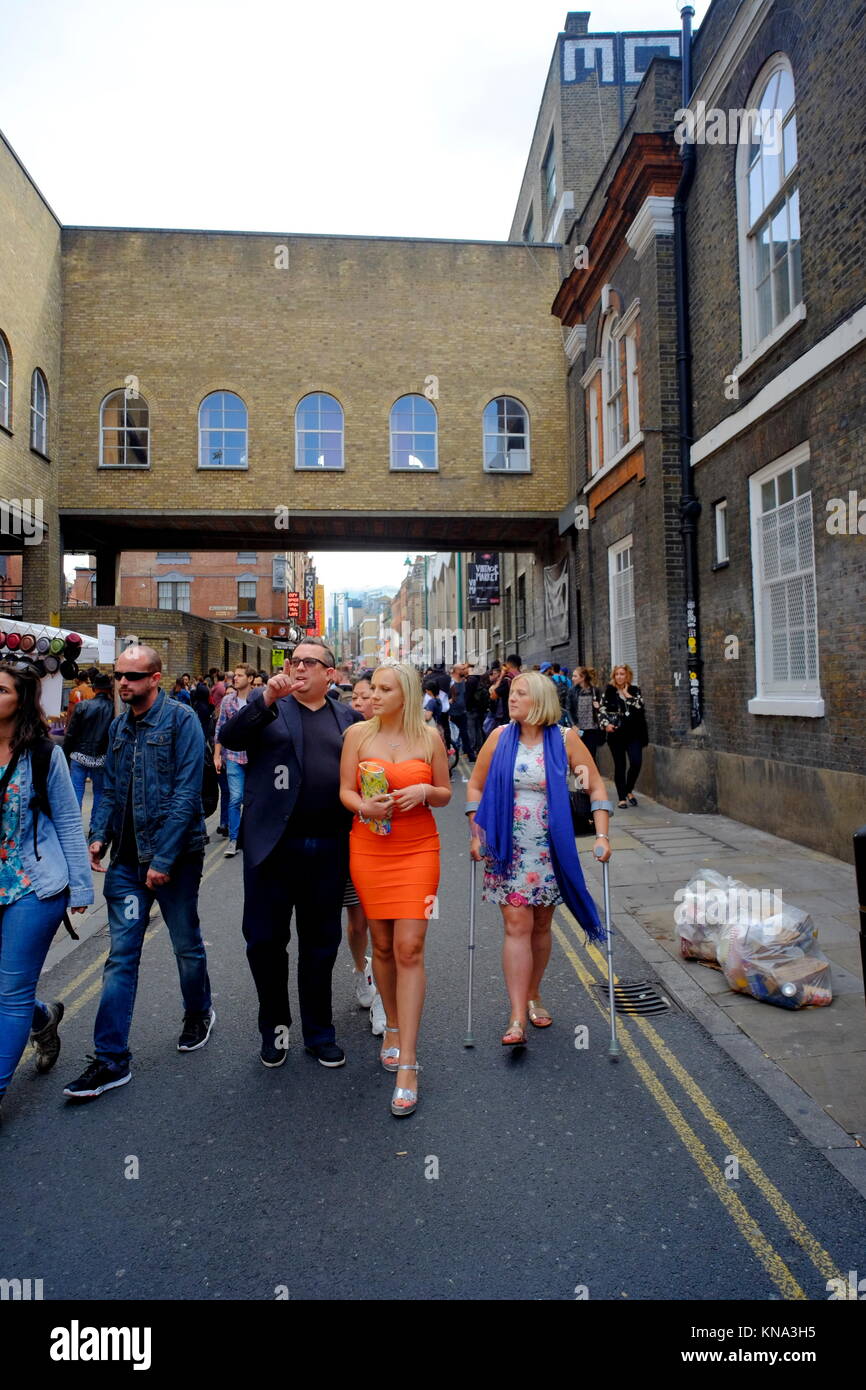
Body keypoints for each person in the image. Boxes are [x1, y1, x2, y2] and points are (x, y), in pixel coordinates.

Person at [63, 646, 214, 1101]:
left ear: (155, 678)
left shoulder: (181, 721)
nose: (123, 682)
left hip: (175, 858)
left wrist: (164, 861)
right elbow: (109, 788)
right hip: (127, 864)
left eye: (133, 675)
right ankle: (111, 1060)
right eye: (119, 675)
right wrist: (98, 835)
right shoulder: (118, 726)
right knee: (121, 956)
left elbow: (188, 794)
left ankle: (198, 1011)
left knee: (185, 944)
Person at [219, 639, 362, 1069]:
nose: (298, 667)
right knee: (265, 944)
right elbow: (230, 736)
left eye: (309, 662)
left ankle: (320, 1033)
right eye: (293, 661)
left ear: (330, 674)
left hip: (328, 848)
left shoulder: (348, 719)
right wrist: (265, 698)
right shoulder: (269, 707)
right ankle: (275, 1029)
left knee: (321, 945)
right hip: (272, 849)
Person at [466, 671, 612, 1045]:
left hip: (549, 849)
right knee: (517, 925)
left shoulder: (565, 740)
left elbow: (595, 785)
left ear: (540, 701)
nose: (510, 699)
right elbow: (476, 785)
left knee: (541, 928)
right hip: (507, 848)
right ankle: (517, 1016)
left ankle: (534, 993)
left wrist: (602, 835)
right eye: (511, 693)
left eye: (519, 694)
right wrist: (476, 832)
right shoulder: (499, 738)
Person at [340, 662, 451, 1116]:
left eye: (385, 689)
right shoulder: (357, 736)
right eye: (374, 689)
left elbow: (445, 792)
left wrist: (423, 791)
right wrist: (364, 804)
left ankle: (408, 1059)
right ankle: (389, 1026)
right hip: (369, 848)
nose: (374, 695)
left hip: (419, 850)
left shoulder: (429, 737)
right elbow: (345, 791)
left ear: (405, 695)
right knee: (381, 945)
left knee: (409, 946)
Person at [0, 663, 93, 1119]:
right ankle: (44, 1018)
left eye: (0, 690)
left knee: (11, 991)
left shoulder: (42, 754)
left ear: (22, 699)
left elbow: (68, 820)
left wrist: (80, 886)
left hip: (32, 887)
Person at [343, 675, 386, 1035]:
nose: (359, 702)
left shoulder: (392, 739)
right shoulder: (347, 734)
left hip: (381, 841)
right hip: (344, 836)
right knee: (355, 923)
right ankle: (362, 970)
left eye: (365, 696)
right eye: (354, 696)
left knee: (375, 921)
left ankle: (383, 997)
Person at [213, 662, 254, 858]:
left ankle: (253, 837)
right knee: (235, 798)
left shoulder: (258, 700)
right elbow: (220, 728)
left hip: (255, 758)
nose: (235, 678)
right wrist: (216, 755)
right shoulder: (228, 701)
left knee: (253, 800)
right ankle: (234, 839)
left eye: (240, 675)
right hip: (233, 757)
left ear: (250, 679)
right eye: (234, 675)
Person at [62, 671, 114, 828]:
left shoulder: (82, 706)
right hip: (101, 758)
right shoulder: (114, 709)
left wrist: (66, 754)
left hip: (79, 755)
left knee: (76, 791)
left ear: (95, 688)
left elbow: (71, 733)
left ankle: (74, 827)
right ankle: (94, 828)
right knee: (99, 793)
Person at [599, 664, 648, 809]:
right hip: (617, 734)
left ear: (627, 676)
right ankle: (622, 797)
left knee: (636, 762)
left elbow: (640, 708)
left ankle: (628, 789)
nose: (619, 677)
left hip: (634, 734)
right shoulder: (608, 692)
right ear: (614, 677)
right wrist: (606, 724)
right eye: (617, 674)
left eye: (622, 674)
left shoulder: (635, 690)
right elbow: (601, 710)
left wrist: (628, 696)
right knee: (620, 766)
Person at [567, 667, 605, 762]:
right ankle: (582, 776)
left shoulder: (595, 690)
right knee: (579, 758)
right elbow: (568, 709)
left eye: (575, 676)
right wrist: (573, 725)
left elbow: (603, 708)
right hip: (578, 730)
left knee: (591, 757)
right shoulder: (572, 691)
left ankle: (591, 776)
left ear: (583, 677)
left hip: (592, 729)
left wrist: (599, 706)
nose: (572, 678)